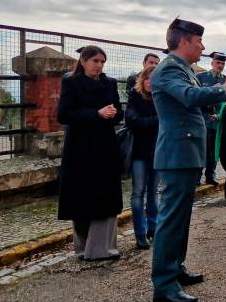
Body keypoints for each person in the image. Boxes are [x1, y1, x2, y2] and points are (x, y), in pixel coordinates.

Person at [150, 18, 226, 302]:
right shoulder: (167, 69)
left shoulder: (184, 69)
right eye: (199, 41)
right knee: (171, 218)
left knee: (181, 217)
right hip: (176, 154)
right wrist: (224, 90)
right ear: (184, 41)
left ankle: (175, 266)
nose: (203, 46)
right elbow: (190, 97)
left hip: (187, 153)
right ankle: (164, 284)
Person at [57, 45, 123, 261]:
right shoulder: (71, 81)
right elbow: (64, 114)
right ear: (84, 61)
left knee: (106, 198)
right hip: (80, 149)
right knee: (81, 198)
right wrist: (96, 113)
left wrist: (113, 113)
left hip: (105, 147)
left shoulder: (110, 83)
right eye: (95, 61)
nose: (99, 65)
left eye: (102, 62)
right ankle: (83, 248)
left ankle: (105, 249)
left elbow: (119, 113)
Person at [126, 65, 160, 250]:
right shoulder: (135, 96)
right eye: (148, 79)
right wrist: (156, 120)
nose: (150, 83)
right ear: (143, 79)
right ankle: (140, 233)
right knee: (138, 192)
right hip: (139, 151)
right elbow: (132, 121)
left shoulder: (161, 98)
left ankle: (153, 228)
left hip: (157, 151)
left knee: (153, 192)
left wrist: (147, 123)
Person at [196, 51, 226, 186]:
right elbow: (196, 97)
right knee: (200, 149)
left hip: (217, 120)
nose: (220, 65)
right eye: (218, 62)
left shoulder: (225, 80)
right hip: (203, 118)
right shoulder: (201, 77)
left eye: (222, 63)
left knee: (214, 150)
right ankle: (197, 177)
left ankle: (210, 174)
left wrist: (220, 114)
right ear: (212, 63)